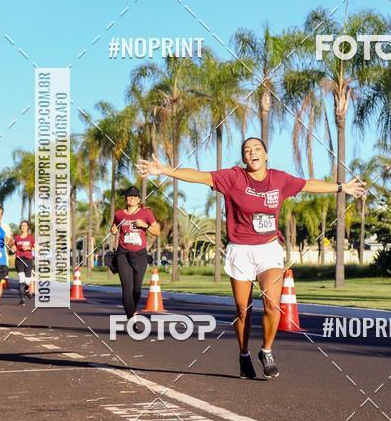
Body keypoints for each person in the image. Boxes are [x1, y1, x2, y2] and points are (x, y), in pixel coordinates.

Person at [137, 138, 365, 380]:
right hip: (240, 251)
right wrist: (164, 170)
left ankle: (266, 351)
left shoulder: (280, 179)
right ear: (244, 158)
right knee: (242, 310)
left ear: (266, 155)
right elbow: (200, 175)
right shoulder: (234, 177)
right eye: (247, 150)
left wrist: (343, 187)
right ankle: (243, 354)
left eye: (257, 149)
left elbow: (308, 184)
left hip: (268, 250)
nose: (252, 153)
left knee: (272, 304)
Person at [110, 187, 160, 321]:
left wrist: (145, 225)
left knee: (136, 289)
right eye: (128, 196)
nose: (131, 198)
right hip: (123, 253)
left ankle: (132, 309)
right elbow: (114, 227)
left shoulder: (146, 213)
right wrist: (113, 230)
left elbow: (157, 231)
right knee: (127, 287)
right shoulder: (120, 214)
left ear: (138, 199)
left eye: (134, 197)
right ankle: (131, 315)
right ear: (126, 199)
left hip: (140, 254)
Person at [13, 220, 35, 305]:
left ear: (28, 227)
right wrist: (13, 247)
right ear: (20, 227)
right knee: (21, 279)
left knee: (27, 281)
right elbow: (13, 245)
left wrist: (28, 248)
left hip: (28, 259)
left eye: (25, 225)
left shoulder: (31, 237)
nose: (23, 227)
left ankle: (26, 289)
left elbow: (36, 248)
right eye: (22, 225)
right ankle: (22, 299)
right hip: (19, 259)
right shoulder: (17, 237)